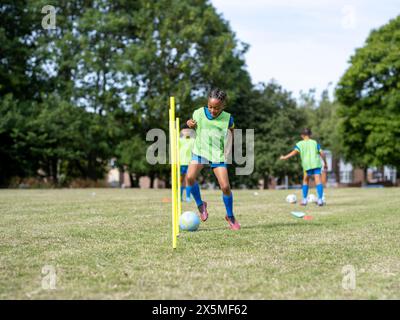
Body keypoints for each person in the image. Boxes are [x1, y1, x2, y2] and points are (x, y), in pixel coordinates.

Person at [186, 88, 240, 230]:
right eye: (210, 107)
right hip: (200, 151)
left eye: (216, 108)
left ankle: (230, 216)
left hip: (217, 154)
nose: (212, 110)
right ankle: (200, 204)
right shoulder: (198, 113)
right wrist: (189, 124)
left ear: (223, 106)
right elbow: (191, 123)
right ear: (207, 104)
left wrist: (228, 149)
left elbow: (232, 133)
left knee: (225, 187)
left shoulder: (228, 118)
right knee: (189, 178)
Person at [280, 128, 328, 206]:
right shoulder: (314, 142)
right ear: (310, 135)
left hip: (307, 165)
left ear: (302, 135)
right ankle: (320, 200)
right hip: (316, 163)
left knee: (305, 181)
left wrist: (284, 157)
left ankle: (304, 200)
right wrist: (325, 163)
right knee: (318, 181)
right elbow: (322, 153)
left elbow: (293, 153)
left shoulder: (300, 144)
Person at [179, 124, 195, 202]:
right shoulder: (180, 140)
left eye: (188, 130)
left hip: (190, 163)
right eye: (185, 130)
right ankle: (180, 197)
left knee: (189, 180)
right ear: (181, 131)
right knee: (181, 180)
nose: (187, 132)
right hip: (180, 163)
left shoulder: (193, 140)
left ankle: (188, 197)